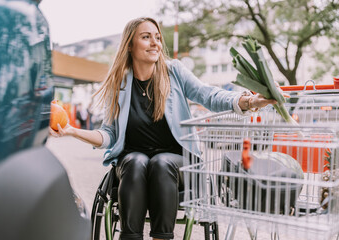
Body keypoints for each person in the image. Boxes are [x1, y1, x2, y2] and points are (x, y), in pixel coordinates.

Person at [50, 17, 282, 240]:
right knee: (135, 161)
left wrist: (249, 101)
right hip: (133, 163)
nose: (155, 43)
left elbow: (208, 94)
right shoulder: (119, 84)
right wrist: (71, 131)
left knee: (161, 162)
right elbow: (108, 135)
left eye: (158, 37)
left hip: (177, 163)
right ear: (130, 45)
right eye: (146, 37)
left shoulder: (174, 72)